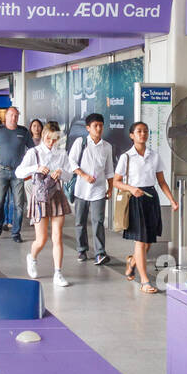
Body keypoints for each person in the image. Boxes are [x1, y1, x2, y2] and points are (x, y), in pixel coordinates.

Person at [113, 121, 178, 294]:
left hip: (151, 199)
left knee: (148, 242)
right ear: (132, 135)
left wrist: (172, 200)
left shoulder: (154, 156)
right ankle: (145, 281)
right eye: (139, 131)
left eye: (145, 131)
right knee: (140, 242)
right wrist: (132, 189)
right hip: (135, 199)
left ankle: (132, 262)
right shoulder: (126, 157)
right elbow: (116, 182)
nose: (143, 134)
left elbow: (161, 182)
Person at [16, 120, 72, 288]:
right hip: (39, 197)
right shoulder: (34, 153)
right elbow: (19, 172)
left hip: (57, 195)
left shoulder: (61, 154)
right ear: (43, 135)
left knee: (57, 237)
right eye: (48, 138)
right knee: (41, 239)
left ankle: (58, 273)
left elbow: (69, 176)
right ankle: (32, 258)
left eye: (55, 139)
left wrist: (62, 173)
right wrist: (36, 168)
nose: (51, 142)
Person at [69, 113, 114, 265]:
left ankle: (100, 253)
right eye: (95, 126)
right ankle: (82, 249)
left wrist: (111, 187)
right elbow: (72, 163)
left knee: (98, 221)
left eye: (101, 125)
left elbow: (109, 169)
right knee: (80, 221)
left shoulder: (107, 146)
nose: (99, 128)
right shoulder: (80, 142)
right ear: (88, 128)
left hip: (99, 190)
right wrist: (84, 175)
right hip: (82, 189)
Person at [0, 105, 32, 242]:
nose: (14, 118)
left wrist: (30, 169)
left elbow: (32, 151)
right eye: (11, 115)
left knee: (18, 204)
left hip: (18, 173)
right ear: (6, 116)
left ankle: (16, 233)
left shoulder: (23, 131)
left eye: (16, 115)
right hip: (1, 171)